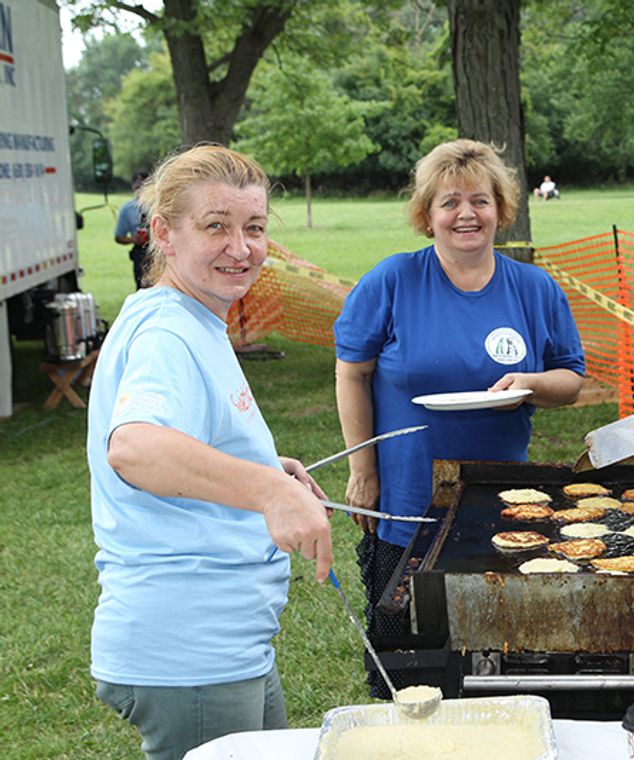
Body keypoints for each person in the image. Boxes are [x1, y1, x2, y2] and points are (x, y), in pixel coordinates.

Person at [86, 146, 333, 760]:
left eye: (253, 227)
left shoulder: (191, 318)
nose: (241, 247)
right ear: (164, 234)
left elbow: (188, 440)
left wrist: (261, 470)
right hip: (188, 649)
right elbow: (137, 448)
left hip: (224, 643)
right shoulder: (169, 330)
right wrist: (268, 492)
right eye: (216, 225)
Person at [334, 139, 585, 697]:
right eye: (449, 202)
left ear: (502, 209)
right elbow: (351, 374)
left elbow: (569, 379)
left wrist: (532, 384)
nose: (466, 214)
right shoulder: (393, 281)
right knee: (407, 668)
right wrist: (363, 469)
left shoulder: (534, 288)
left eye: (480, 200)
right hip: (407, 503)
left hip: (502, 501)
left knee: (500, 659)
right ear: (427, 215)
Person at [114, 171, 151, 290]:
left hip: (160, 250)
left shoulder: (160, 205)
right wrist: (133, 239)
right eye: (139, 185)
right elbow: (119, 237)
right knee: (142, 287)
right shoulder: (127, 209)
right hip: (140, 253)